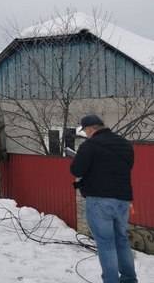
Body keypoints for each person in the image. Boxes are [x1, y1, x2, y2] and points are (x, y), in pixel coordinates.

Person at [70, 115, 138, 283]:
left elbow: (76, 170)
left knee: (106, 243)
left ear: (90, 129)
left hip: (99, 200)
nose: (85, 134)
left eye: (85, 131)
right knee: (121, 240)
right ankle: (129, 279)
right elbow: (126, 166)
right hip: (123, 200)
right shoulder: (124, 144)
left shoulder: (90, 145)